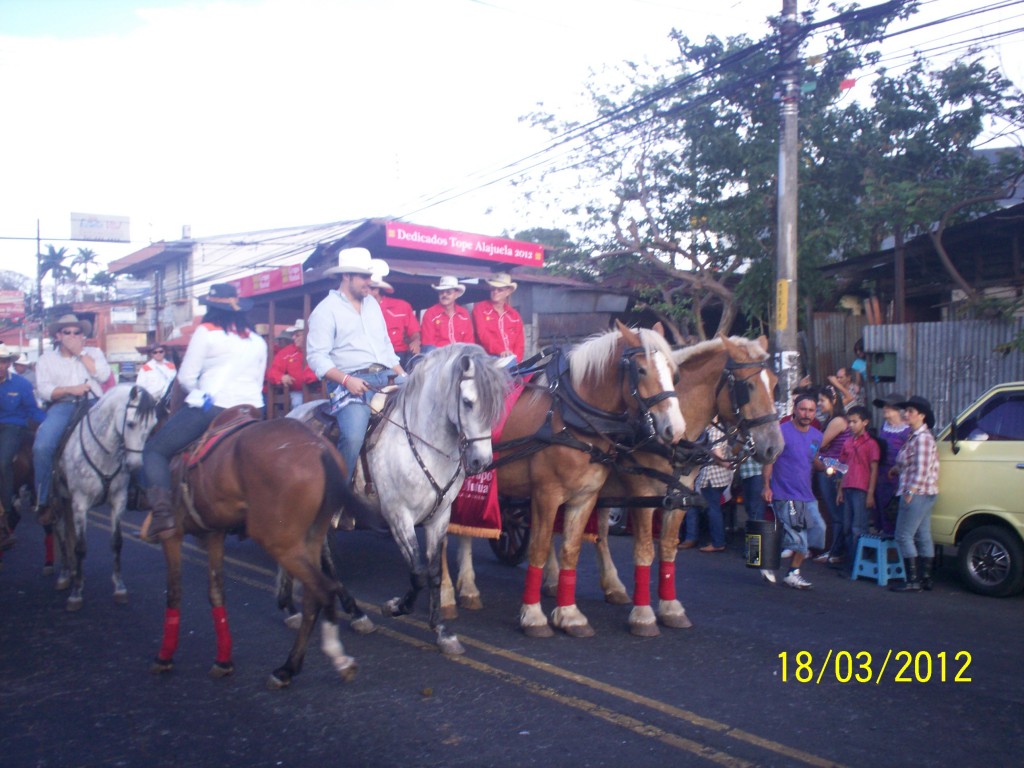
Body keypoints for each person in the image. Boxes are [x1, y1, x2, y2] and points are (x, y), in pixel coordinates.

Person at [142, 284, 267, 541]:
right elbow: (259, 378)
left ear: (211, 308)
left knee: (154, 450)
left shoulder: (205, 332)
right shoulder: (256, 340)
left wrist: (202, 391)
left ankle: (163, 515)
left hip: (216, 406)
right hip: (253, 409)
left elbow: (186, 377)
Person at [306, 247, 405, 480]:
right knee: (352, 437)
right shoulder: (324, 311)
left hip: (387, 375)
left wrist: (404, 376)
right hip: (350, 381)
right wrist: (347, 380)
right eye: (363, 276)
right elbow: (316, 358)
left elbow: (386, 347)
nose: (368, 282)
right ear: (346, 276)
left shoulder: (372, 304)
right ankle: (340, 499)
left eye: (369, 276)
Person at [32, 314, 112, 524]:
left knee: (124, 433)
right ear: (58, 335)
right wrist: (71, 390)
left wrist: (81, 353)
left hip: (94, 403)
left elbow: (103, 376)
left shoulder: (94, 353)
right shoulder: (46, 359)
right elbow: (44, 390)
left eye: (77, 332)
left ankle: (133, 491)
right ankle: (44, 499)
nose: (73, 336)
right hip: (63, 406)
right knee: (42, 445)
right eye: (67, 332)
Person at [762, 393, 823, 589]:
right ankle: (786, 570)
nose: (807, 414)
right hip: (786, 493)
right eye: (803, 409)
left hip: (807, 494)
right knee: (799, 537)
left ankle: (780, 564)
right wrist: (766, 486)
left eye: (811, 410)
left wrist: (830, 467)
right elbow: (769, 460)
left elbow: (812, 459)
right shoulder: (781, 432)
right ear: (794, 410)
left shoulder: (816, 435)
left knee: (818, 530)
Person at [889, 395, 940, 593]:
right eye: (907, 410)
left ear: (922, 416)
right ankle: (925, 578)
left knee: (903, 535)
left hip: (917, 491)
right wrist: (896, 469)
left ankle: (913, 580)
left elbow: (922, 469)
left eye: (911, 411)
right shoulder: (915, 437)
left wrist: (910, 491)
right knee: (922, 534)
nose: (907, 414)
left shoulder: (923, 439)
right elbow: (911, 464)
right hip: (923, 491)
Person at [0, 344, 45, 550]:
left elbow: (32, 411)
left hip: (12, 427)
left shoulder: (21, 384)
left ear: (9, 363)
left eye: (4, 361)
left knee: (3, 462)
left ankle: (6, 510)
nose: (1, 365)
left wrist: (48, 423)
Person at [835, 405, 880, 571]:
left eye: (855, 421)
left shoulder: (871, 444)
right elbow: (842, 467)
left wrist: (870, 493)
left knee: (858, 527)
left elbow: (874, 469)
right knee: (847, 526)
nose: (851, 425)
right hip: (847, 487)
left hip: (861, 489)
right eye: (850, 422)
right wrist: (840, 490)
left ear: (865, 422)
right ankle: (851, 560)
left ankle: (857, 563)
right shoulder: (847, 442)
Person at [679, 423, 734, 552]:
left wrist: (725, 463)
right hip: (715, 477)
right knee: (709, 508)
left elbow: (716, 452)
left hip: (711, 477)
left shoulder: (713, 431)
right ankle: (693, 538)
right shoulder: (716, 429)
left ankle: (717, 542)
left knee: (712, 510)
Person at [813, 385, 850, 564]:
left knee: (835, 513)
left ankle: (836, 552)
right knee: (832, 512)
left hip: (832, 471)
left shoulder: (837, 421)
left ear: (833, 400)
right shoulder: (830, 420)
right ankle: (834, 550)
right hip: (829, 469)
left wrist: (818, 448)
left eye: (822, 400)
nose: (819, 404)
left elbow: (819, 443)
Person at [872, 392, 910, 535]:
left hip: (898, 477)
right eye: (885, 406)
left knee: (894, 512)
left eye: (889, 407)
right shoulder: (884, 427)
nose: (885, 409)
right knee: (881, 509)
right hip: (881, 476)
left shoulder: (907, 431)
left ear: (898, 410)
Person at [369, 272, 420, 369]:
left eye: (371, 288)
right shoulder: (358, 308)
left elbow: (414, 332)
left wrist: (416, 342)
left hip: (399, 354)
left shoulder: (402, 306)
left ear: (376, 289)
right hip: (370, 356)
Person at [265, 320, 317, 411]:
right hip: (298, 392)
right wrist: (281, 377)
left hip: (321, 391)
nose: (293, 338)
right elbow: (272, 372)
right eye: (293, 335)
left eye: (297, 335)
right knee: (298, 402)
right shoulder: (287, 352)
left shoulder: (319, 349)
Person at [472, 272, 524, 362]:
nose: (495, 292)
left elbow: (520, 341)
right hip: (487, 358)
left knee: (535, 371)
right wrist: (500, 350)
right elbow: (483, 334)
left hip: (510, 359)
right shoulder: (480, 309)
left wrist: (516, 360)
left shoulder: (514, 315)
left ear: (508, 292)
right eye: (493, 289)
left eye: (500, 290)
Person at [420, 276, 474, 352]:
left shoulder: (464, 314)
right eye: (441, 292)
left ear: (456, 294)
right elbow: (428, 342)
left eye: (448, 292)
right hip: (438, 355)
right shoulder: (430, 313)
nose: (444, 295)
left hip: (459, 356)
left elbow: (469, 342)